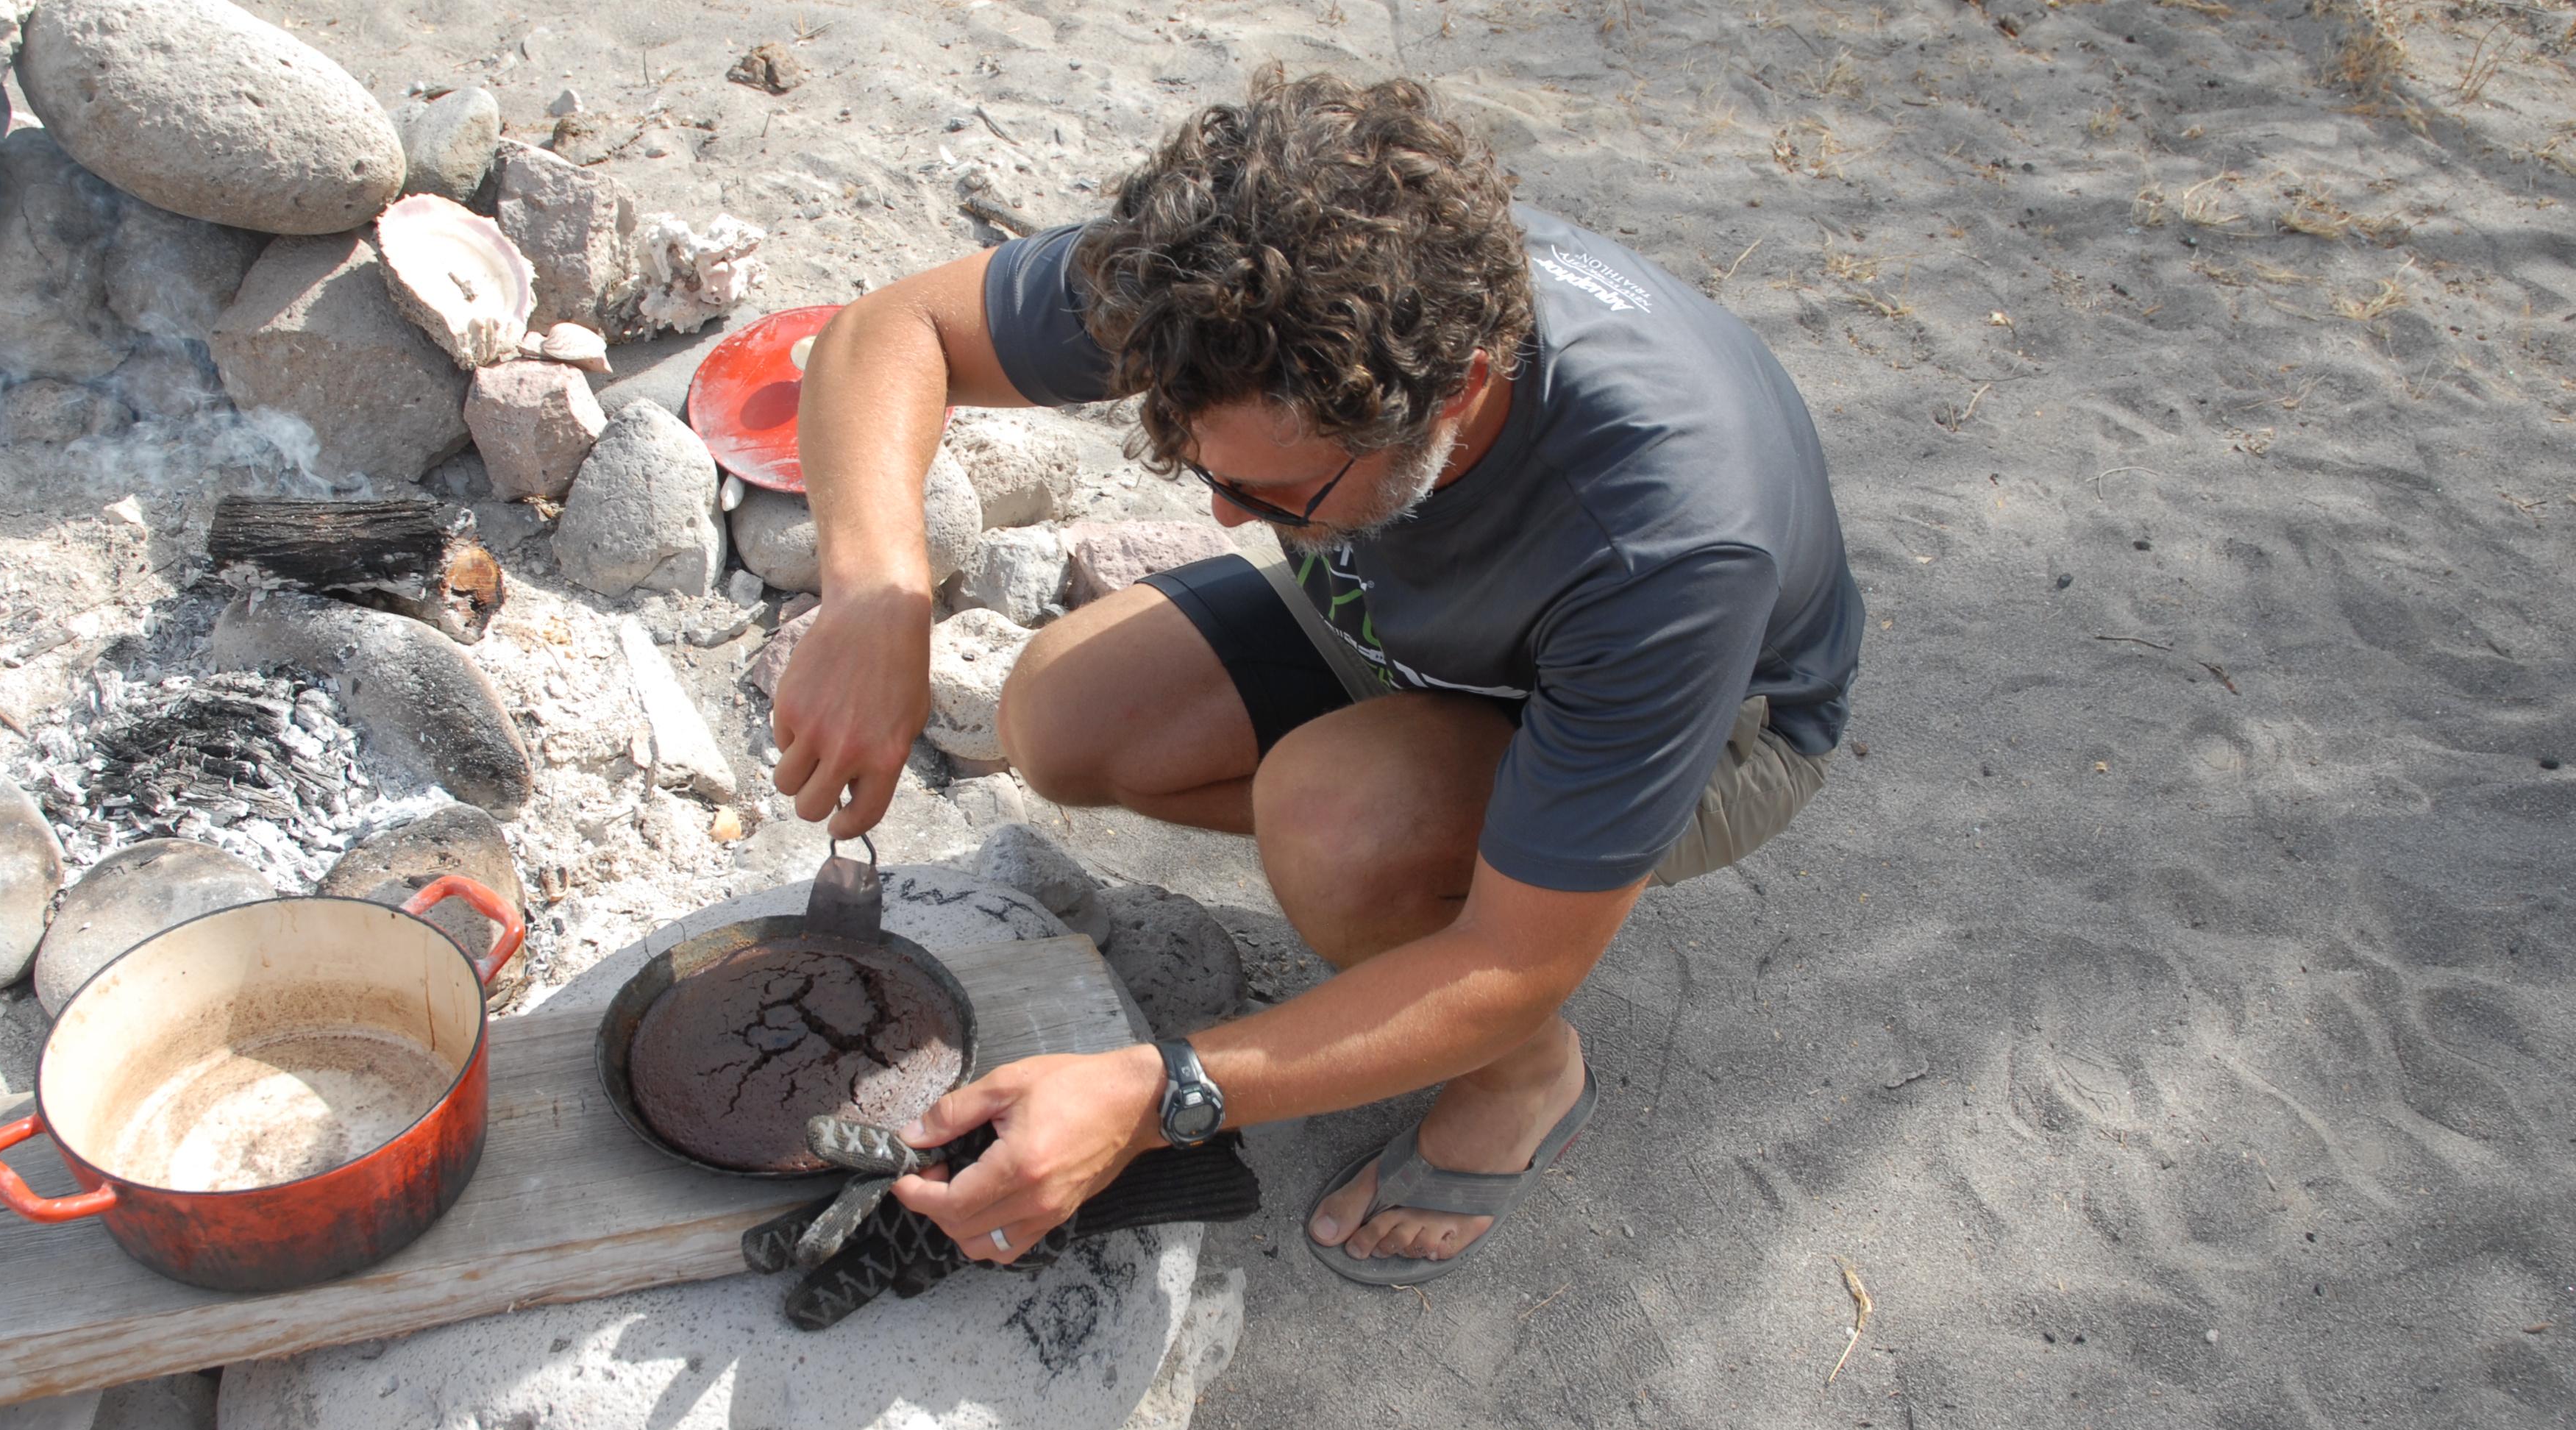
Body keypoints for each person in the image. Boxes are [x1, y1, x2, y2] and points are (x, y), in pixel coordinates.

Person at [767, 68, 1862, 1284]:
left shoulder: (1666, 543)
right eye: (1205, 472)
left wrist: (1161, 1096)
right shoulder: (1254, 274)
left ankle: (1525, 1075)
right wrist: (877, 596)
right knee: (1060, 717)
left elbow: (1514, 966)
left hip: (1725, 725)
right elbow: (891, 332)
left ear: (1458, 394)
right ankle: (1426, 854)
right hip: (1420, 613)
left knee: (1336, 831)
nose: (1231, 519)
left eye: (1277, 493)